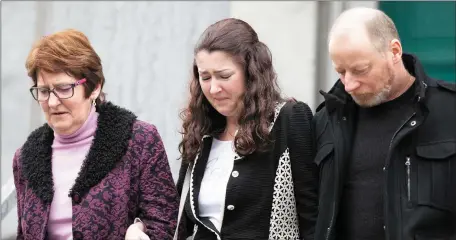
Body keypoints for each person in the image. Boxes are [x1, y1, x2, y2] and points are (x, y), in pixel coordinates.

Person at [13, 29, 179, 240]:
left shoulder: (139, 140)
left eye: (64, 88)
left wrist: (139, 230)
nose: (53, 102)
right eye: (44, 91)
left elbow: (167, 225)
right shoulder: (26, 158)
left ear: (94, 88)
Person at [313, 7, 456, 240]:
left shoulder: (450, 110)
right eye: (340, 72)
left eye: (360, 70)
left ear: (394, 51)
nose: (349, 85)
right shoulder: (326, 120)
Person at [172, 18, 318, 240]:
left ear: (251, 72)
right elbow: (177, 220)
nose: (213, 88)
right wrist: (139, 226)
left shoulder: (289, 118)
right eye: (205, 77)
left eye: (224, 76)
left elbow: (311, 216)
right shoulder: (201, 131)